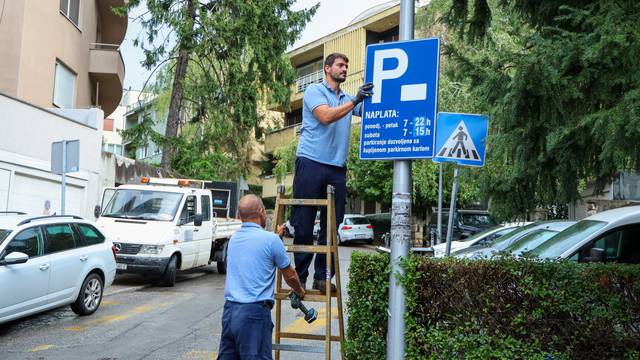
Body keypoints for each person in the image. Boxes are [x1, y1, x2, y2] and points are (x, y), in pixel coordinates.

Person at [290, 53, 374, 293]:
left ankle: (323, 278)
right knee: (304, 224)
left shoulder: (348, 98)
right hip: (310, 162)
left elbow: (372, 111)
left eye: (347, 65)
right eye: (340, 65)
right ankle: (301, 279)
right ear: (327, 69)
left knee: (331, 227)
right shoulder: (315, 92)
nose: (344, 68)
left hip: (337, 168)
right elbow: (325, 116)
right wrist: (356, 100)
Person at [218, 195, 305, 360]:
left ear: (239, 216)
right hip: (253, 314)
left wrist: (277, 237)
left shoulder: (234, 239)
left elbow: (258, 249)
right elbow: (290, 275)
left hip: (230, 313)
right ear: (261, 212)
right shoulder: (271, 241)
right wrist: (299, 291)